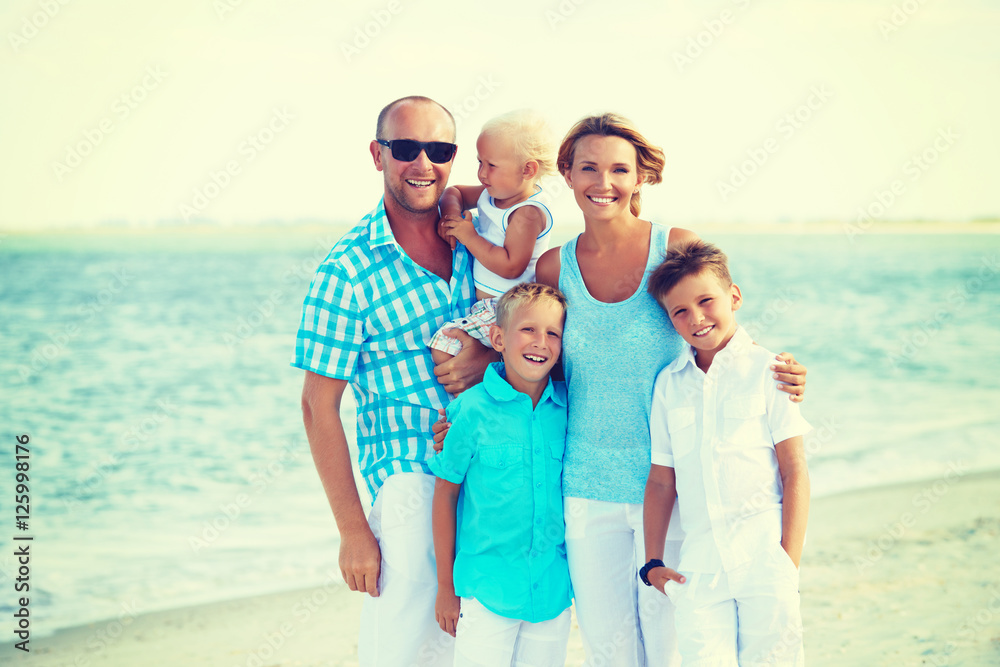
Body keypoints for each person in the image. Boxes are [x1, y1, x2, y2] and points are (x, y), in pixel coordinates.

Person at [530, 113, 808, 666]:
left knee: (673, 647)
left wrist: (783, 369)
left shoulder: (674, 244)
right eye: (587, 168)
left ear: (640, 178)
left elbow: (714, 318)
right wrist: (470, 387)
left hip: (677, 487)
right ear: (567, 174)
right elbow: (536, 357)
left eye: (618, 169)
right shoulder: (552, 265)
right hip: (585, 486)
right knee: (609, 650)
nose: (602, 182)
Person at [293, 95, 497, 666]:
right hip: (409, 480)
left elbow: (535, 201)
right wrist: (353, 531)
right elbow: (317, 408)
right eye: (406, 149)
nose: (422, 164)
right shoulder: (347, 271)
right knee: (406, 646)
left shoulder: (481, 240)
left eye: (439, 150)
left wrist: (485, 357)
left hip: (487, 469)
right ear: (377, 154)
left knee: (478, 642)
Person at [641, 240, 810, 665]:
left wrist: (787, 560)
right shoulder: (669, 384)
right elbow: (663, 480)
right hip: (699, 568)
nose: (696, 318)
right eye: (680, 311)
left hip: (764, 558)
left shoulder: (770, 370)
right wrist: (652, 562)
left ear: (733, 297)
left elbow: (795, 472)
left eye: (706, 301)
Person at [429, 283, 573, 667]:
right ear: (498, 338)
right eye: (528, 329)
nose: (541, 342)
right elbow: (445, 496)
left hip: (552, 590)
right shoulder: (470, 410)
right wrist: (447, 587)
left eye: (553, 333)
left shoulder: (567, 409)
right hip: (486, 588)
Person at [428, 110, 557, 366]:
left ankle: (480, 399)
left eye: (492, 166)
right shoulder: (495, 192)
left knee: (444, 348)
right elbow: (454, 192)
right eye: (479, 163)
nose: (482, 174)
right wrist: (452, 219)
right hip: (487, 307)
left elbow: (511, 266)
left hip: (506, 307)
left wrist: (468, 236)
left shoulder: (526, 213)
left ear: (527, 170)